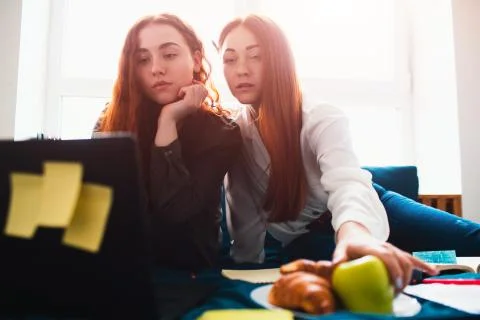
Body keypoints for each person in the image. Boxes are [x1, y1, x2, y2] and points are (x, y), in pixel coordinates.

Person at [217, 14, 480, 292]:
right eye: (230, 59)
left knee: (471, 239)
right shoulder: (235, 132)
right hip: (306, 239)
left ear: (278, 60)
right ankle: (411, 264)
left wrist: (355, 234)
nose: (241, 70)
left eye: (255, 56)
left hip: (364, 209)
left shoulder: (319, 116)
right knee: (371, 276)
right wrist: (246, 274)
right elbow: (242, 213)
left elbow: (347, 184)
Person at [94, 13, 242, 270]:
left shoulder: (222, 133)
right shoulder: (111, 121)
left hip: (190, 270)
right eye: (142, 59)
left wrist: (168, 120)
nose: (156, 68)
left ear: (196, 60)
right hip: (122, 266)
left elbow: (175, 212)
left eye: (169, 55)